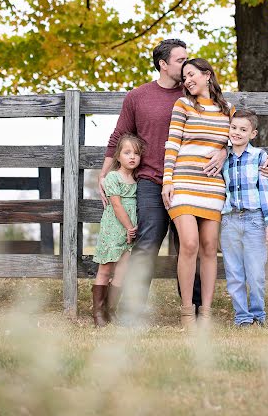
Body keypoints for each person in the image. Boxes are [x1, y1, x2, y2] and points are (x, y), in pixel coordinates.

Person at [98, 39, 224, 324]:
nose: (186, 65)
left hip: (190, 184)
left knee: (189, 245)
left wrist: (224, 150)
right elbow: (119, 135)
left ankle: (191, 308)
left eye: (188, 60)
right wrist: (104, 173)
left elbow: (221, 127)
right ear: (163, 64)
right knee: (146, 243)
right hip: (151, 181)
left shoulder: (193, 93)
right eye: (180, 61)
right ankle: (132, 310)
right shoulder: (138, 96)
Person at [162, 59, 236, 328]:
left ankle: (205, 314)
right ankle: (186, 314)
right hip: (182, 183)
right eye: (184, 77)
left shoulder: (228, 110)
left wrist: (224, 151)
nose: (188, 80)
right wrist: (167, 181)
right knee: (189, 243)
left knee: (208, 249)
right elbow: (173, 143)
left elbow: (238, 144)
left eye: (192, 74)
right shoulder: (183, 105)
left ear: (207, 75)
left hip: (213, 188)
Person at [220, 109, 268, 327]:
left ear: (253, 134)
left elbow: (265, 189)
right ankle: (242, 317)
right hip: (229, 221)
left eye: (243, 129)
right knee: (234, 273)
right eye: (234, 128)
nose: (237, 132)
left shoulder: (259, 156)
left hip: (254, 220)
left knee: (256, 273)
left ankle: (258, 314)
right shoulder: (224, 156)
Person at [92, 133, 144, 326]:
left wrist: (132, 229)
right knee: (105, 269)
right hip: (115, 227)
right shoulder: (113, 177)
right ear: (118, 156)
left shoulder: (138, 180)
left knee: (122, 270)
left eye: (136, 154)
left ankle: (111, 309)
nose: (132, 157)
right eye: (127, 152)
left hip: (130, 231)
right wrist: (130, 227)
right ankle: (98, 312)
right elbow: (117, 206)